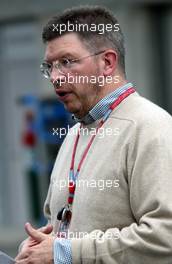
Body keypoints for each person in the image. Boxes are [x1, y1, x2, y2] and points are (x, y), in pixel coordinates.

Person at [15, 5, 172, 264]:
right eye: (50, 67)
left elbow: (166, 236)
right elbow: (59, 227)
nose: (55, 77)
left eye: (66, 62)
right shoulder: (74, 133)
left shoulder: (153, 128)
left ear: (107, 63)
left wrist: (64, 252)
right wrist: (37, 246)